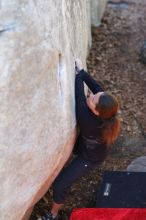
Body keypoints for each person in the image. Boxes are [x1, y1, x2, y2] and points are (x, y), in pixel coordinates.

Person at [39, 59, 121, 220]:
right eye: (94, 96)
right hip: (90, 146)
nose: (91, 95)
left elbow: (79, 98)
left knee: (60, 184)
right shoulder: (105, 109)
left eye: (92, 99)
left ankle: (53, 214)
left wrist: (77, 76)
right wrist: (82, 72)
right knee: (79, 149)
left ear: (97, 112)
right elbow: (98, 89)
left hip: (89, 158)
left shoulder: (88, 121)